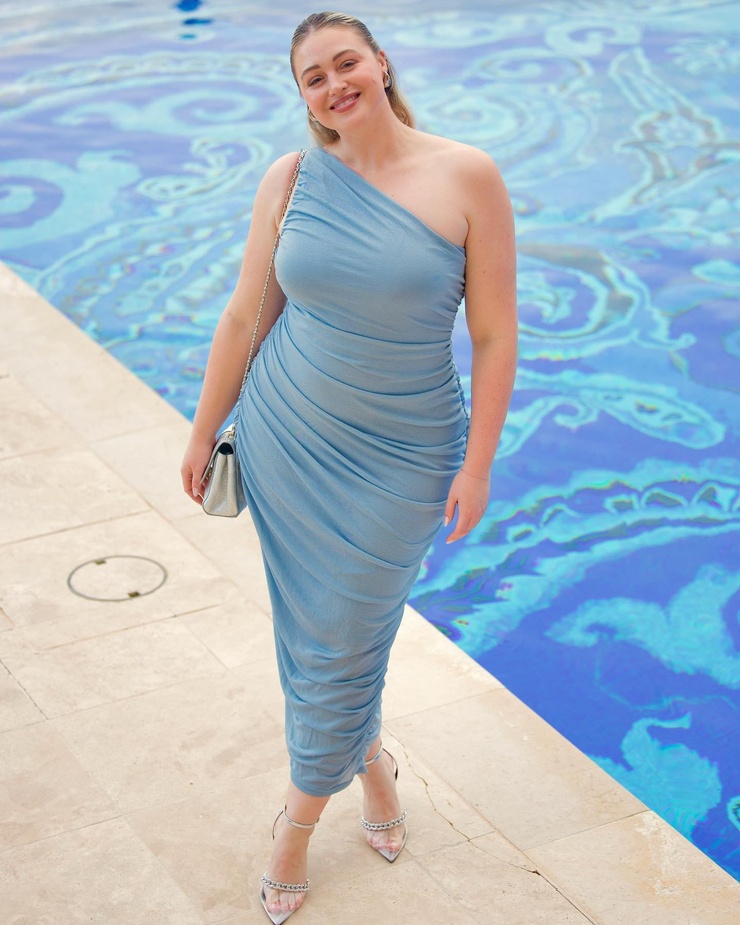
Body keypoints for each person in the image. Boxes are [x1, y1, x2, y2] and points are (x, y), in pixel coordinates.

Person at [180, 10, 517, 923]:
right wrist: (204, 428)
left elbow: (494, 334)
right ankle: (371, 770)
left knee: (343, 637)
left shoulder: (467, 176)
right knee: (323, 636)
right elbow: (245, 315)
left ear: (381, 63)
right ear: (304, 96)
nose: (335, 85)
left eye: (346, 63)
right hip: (288, 437)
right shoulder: (290, 179)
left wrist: (478, 466)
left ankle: (292, 829)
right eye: (314, 77)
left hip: (408, 453)